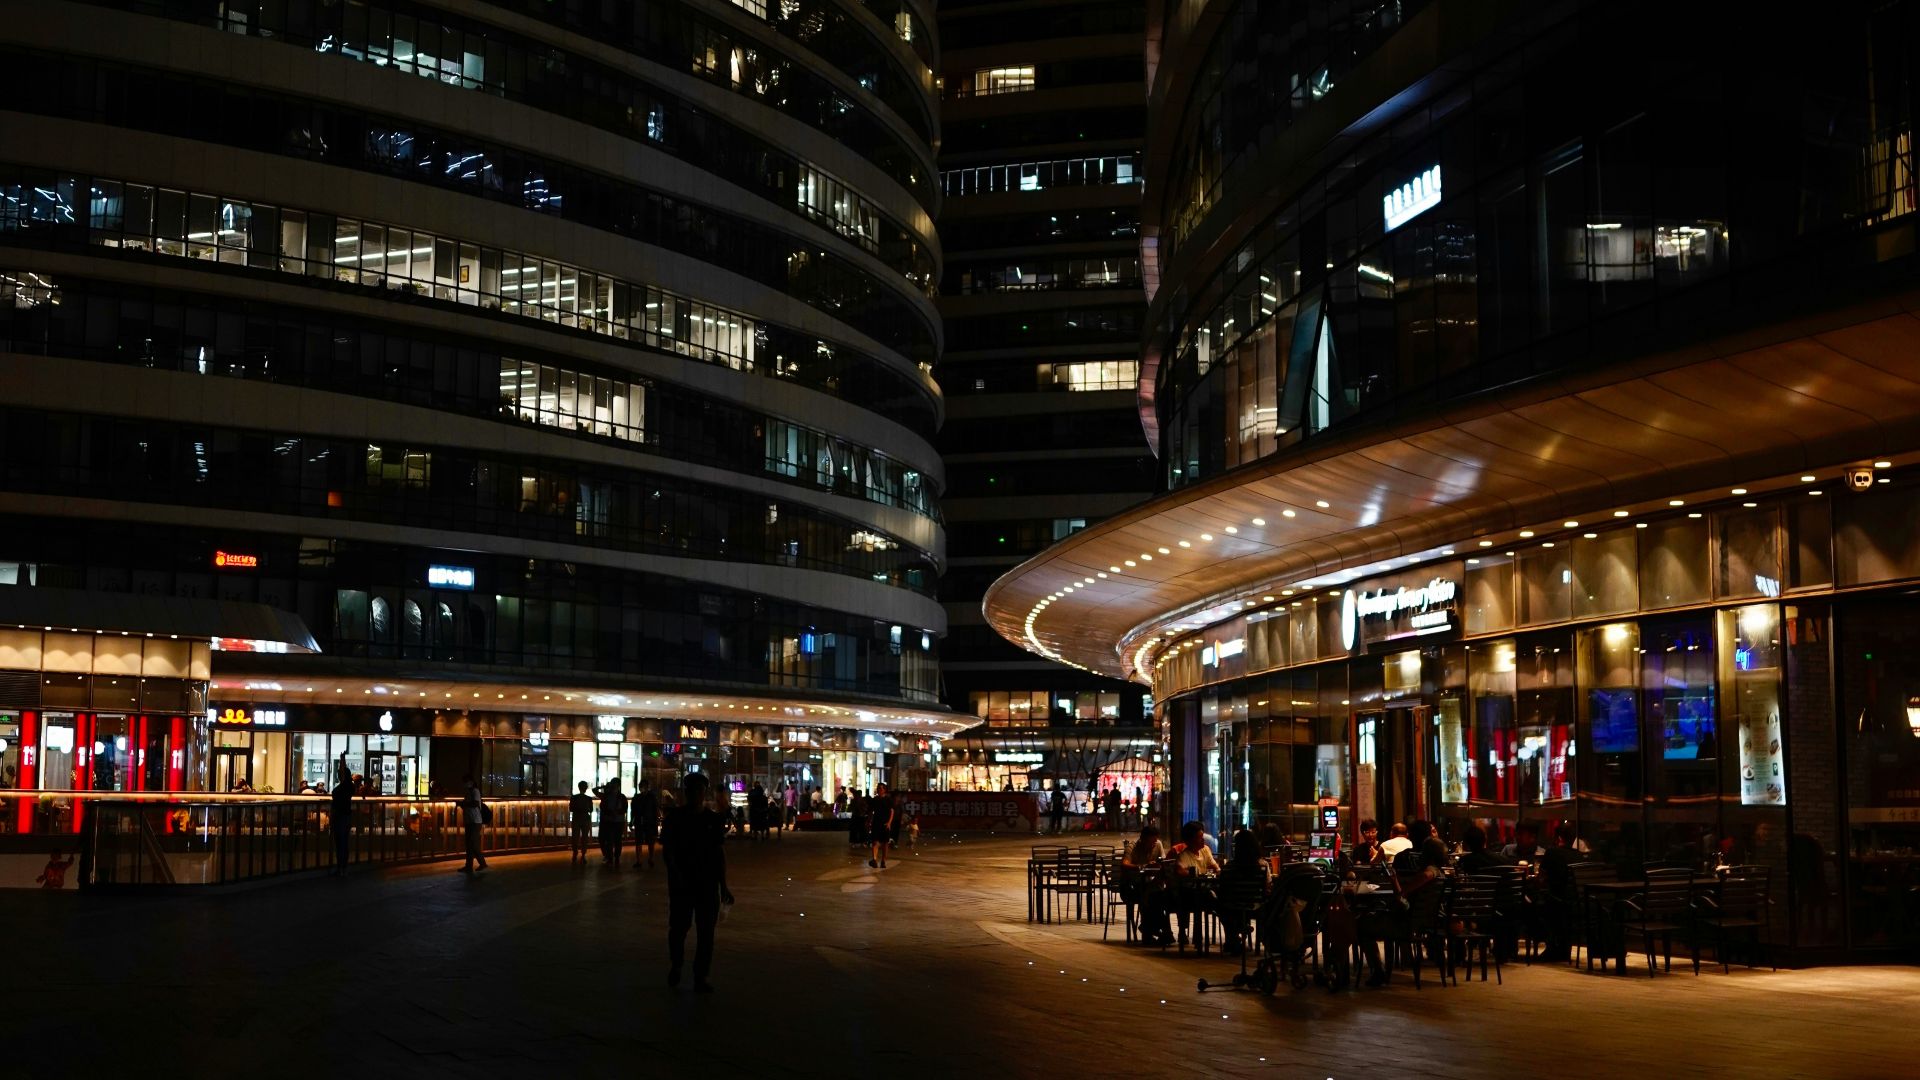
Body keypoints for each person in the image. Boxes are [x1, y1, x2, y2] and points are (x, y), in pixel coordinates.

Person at [662, 772, 733, 992]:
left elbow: (718, 853)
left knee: (706, 934)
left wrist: (723, 885)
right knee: (678, 929)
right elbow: (668, 851)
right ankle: (677, 964)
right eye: (692, 790)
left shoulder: (712, 819)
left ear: (704, 793)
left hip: (706, 884)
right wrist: (675, 874)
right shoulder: (675, 818)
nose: (696, 795)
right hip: (683, 883)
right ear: (686, 792)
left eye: (700, 790)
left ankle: (700, 975)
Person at [1359, 825, 1445, 986]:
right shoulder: (1441, 874)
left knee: (1363, 926)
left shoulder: (1427, 873)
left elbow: (1402, 897)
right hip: (1427, 922)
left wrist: (1394, 881)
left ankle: (1378, 971)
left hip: (1407, 924)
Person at [1155, 820, 1220, 948]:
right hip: (1185, 894)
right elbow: (1180, 871)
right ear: (1189, 840)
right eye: (1199, 837)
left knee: (1215, 897)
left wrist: (1216, 870)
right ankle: (1197, 937)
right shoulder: (1182, 855)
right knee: (1201, 898)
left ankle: (1231, 931)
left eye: (1203, 837)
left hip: (1203, 891)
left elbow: (1215, 867)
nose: (1203, 840)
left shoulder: (1205, 850)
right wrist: (1196, 874)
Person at [1217, 829, 1271, 954]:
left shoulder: (1229, 866)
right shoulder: (1262, 865)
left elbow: (1223, 887)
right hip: (1255, 906)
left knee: (1222, 905)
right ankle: (1263, 936)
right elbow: (1267, 886)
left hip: (1232, 906)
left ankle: (1233, 939)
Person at [1539, 822, 1583, 963]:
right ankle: (1563, 948)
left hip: (1559, 901)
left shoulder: (1552, 852)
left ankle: (1552, 946)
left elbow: (1541, 877)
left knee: (1538, 904)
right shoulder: (1578, 856)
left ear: (1558, 838)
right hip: (1578, 903)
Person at [329, 750, 355, 877]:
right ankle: (343, 867)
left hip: (340, 817)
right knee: (344, 842)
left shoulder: (343, 787)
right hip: (345, 816)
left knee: (340, 843)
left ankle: (341, 867)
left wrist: (342, 759)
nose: (339, 775)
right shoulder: (350, 788)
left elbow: (343, 773)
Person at [458, 774, 488, 873]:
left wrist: (463, 804)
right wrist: (463, 804)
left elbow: (475, 803)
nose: (465, 784)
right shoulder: (468, 792)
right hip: (469, 820)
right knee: (469, 844)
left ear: (471, 782)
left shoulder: (475, 791)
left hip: (475, 821)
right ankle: (469, 866)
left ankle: (482, 863)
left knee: (473, 843)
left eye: (466, 781)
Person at [596, 778, 628, 867]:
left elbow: (624, 808)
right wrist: (611, 813)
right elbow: (604, 807)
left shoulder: (621, 797)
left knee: (617, 840)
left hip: (618, 821)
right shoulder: (608, 795)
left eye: (615, 784)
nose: (614, 786)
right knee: (610, 840)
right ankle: (611, 857)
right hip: (611, 821)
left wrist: (616, 812)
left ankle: (615, 857)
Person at [632, 780, 660, 869]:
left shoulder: (651, 797)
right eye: (641, 786)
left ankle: (650, 859)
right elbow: (634, 811)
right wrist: (632, 821)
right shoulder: (637, 797)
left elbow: (655, 810)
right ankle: (640, 860)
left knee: (650, 842)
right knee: (639, 842)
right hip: (641, 821)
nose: (642, 788)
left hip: (649, 822)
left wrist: (656, 821)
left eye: (643, 786)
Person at [868, 782, 896, 869]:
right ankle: (874, 859)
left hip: (885, 824)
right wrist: (869, 821)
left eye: (881, 788)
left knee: (885, 843)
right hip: (876, 823)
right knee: (875, 842)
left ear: (884, 790)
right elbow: (871, 812)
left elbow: (892, 811)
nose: (879, 789)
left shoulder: (888, 800)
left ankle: (883, 861)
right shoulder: (874, 800)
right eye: (878, 788)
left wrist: (889, 822)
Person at [568, 781, 594, 863]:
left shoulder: (574, 797)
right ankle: (583, 855)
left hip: (576, 817)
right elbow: (591, 809)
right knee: (584, 837)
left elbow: (571, 809)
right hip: (585, 818)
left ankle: (575, 853)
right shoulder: (589, 798)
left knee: (575, 837)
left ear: (579, 787)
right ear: (586, 788)